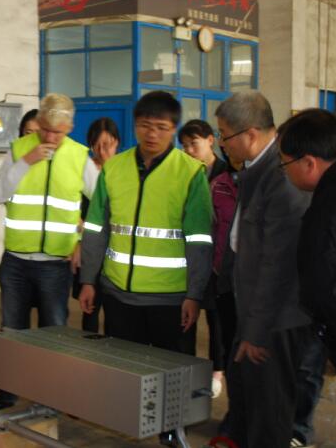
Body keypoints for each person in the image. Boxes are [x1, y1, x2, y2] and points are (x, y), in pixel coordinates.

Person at [79, 91, 213, 446]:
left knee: (173, 372)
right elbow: (96, 228)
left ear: (173, 129)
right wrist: (88, 280)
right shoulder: (114, 169)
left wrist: (194, 294)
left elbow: (200, 240)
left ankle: (173, 432)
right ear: (135, 126)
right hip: (119, 293)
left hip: (171, 297)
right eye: (144, 125)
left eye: (161, 127)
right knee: (126, 370)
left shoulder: (190, 173)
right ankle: (128, 425)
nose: (152, 134)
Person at [0, 93, 98, 410]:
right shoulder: (19, 150)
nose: (50, 138)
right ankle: (6, 395)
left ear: (70, 128)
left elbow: (101, 206)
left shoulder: (79, 157)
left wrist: (82, 241)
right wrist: (26, 161)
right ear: (38, 122)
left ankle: (51, 399)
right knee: (12, 333)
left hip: (55, 265)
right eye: (45, 129)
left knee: (54, 335)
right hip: (16, 262)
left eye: (57, 132)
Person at [215, 91, 311, 448]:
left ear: (250, 134)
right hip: (255, 313)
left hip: (275, 321)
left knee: (269, 412)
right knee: (247, 401)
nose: (221, 143)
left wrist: (255, 332)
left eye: (224, 134)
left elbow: (277, 265)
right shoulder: (255, 169)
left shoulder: (281, 174)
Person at [277, 108, 336, 446]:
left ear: (309, 163)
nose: (284, 171)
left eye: (285, 163)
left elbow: (325, 283)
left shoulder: (327, 206)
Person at [178, 119, 229, 398]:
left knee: (217, 319)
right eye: (184, 145)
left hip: (218, 257)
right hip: (191, 256)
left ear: (211, 140)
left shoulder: (226, 172)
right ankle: (185, 372)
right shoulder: (184, 173)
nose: (188, 150)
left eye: (193, 143)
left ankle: (217, 372)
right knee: (187, 315)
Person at [72, 117, 119, 333]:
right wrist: (77, 243)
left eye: (107, 144)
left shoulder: (126, 171)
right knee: (90, 306)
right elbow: (74, 210)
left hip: (116, 251)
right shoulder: (84, 171)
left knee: (115, 311)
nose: (101, 151)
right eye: (96, 145)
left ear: (117, 142)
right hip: (90, 249)